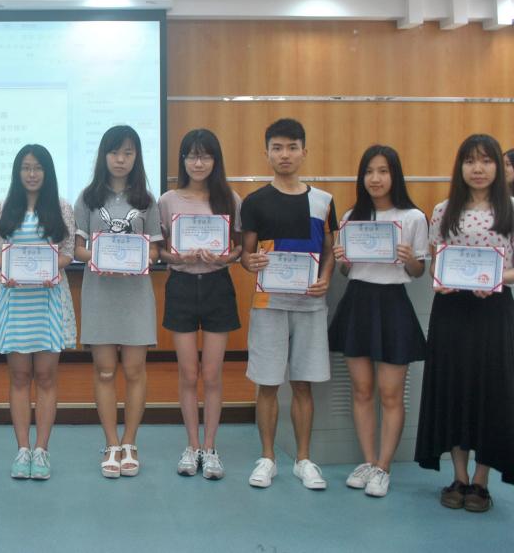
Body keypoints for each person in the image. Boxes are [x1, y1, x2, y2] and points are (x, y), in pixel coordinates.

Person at [415, 134, 514, 513]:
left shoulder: (511, 209)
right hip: (451, 310)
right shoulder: (443, 210)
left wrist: (496, 279)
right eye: (470, 161)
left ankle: (481, 481)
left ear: (498, 167)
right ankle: (458, 477)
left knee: (491, 390)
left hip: (494, 312)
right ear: (460, 167)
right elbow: (435, 263)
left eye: (486, 161)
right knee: (453, 388)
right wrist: (443, 278)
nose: (478, 169)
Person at [240, 118, 337, 490]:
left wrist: (325, 277)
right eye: (277, 148)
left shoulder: (323, 200)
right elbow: (247, 255)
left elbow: (329, 251)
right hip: (268, 304)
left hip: (310, 305)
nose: (285, 155)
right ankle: (267, 458)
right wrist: (249, 262)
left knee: (302, 385)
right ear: (266, 153)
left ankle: (303, 460)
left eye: (292, 147)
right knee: (267, 384)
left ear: (304, 151)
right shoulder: (255, 202)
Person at [328, 145, 428, 498]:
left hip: (392, 305)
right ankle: (368, 462)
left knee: (390, 394)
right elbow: (346, 270)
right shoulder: (352, 216)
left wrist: (408, 258)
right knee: (361, 390)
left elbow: (418, 271)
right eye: (369, 171)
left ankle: (384, 467)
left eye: (383, 171)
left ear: (394, 175)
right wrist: (342, 259)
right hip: (358, 302)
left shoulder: (413, 217)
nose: (375, 178)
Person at [74, 125, 161, 479]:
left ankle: (130, 442)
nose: (120, 159)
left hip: (135, 295)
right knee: (105, 370)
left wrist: (140, 258)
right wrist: (101, 257)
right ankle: (111, 443)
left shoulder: (147, 200)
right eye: (114, 152)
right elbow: (77, 249)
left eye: (128, 152)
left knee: (135, 371)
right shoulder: (88, 198)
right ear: (103, 156)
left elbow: (154, 250)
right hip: (100, 294)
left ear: (137, 156)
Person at [0, 145, 77, 480]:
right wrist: (11, 268)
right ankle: (22, 449)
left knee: (46, 377)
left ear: (47, 172)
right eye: (26, 167)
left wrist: (45, 268)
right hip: (16, 301)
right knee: (20, 377)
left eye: (38, 167)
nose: (32, 174)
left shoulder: (62, 207)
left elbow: (68, 253)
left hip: (48, 301)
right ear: (17, 171)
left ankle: (42, 451)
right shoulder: (3, 208)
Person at [157, 129, 242, 481]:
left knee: (212, 373)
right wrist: (175, 257)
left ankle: (210, 447)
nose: (198, 163)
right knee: (188, 373)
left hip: (217, 286)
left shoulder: (229, 198)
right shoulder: (168, 200)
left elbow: (239, 247)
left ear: (215, 160)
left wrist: (225, 257)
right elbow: (159, 250)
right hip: (181, 286)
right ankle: (192, 446)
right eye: (192, 155)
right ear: (183, 160)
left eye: (205, 156)